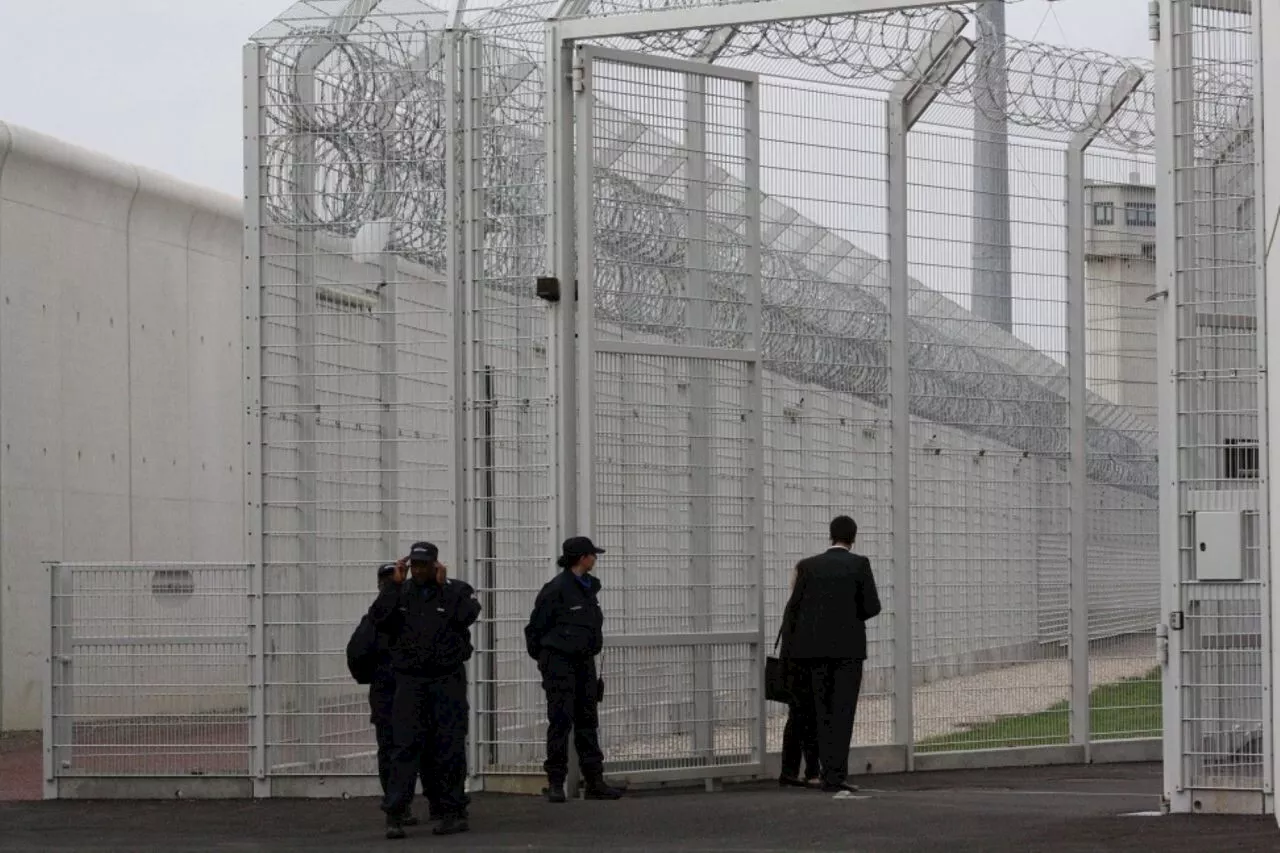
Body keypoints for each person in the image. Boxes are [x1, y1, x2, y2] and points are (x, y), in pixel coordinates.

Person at [368, 542, 480, 839]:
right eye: (414, 565)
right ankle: (395, 812)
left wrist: (445, 588)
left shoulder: (455, 591)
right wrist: (393, 585)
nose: (418, 571)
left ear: (435, 565)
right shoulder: (399, 593)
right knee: (404, 747)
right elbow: (379, 619)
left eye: (423, 565)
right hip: (410, 681)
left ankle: (453, 810)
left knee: (449, 747)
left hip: (447, 679)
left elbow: (468, 615)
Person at [779, 516, 881, 795]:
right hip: (848, 652)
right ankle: (836, 774)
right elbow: (872, 607)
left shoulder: (809, 567)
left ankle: (822, 771)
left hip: (812, 653)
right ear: (853, 537)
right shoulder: (860, 565)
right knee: (842, 712)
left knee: (821, 711)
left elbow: (794, 608)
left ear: (830, 535)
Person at [524, 536, 625, 803]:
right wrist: (547, 660)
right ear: (582, 558)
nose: (595, 558)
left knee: (588, 721)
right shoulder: (556, 590)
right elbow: (535, 630)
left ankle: (594, 780)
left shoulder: (588, 588)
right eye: (593, 554)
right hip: (559, 663)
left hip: (584, 662)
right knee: (560, 721)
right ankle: (556, 782)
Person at [778, 563, 821, 789]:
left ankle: (789, 771)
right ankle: (811, 771)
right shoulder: (808, 607)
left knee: (796, 720)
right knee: (807, 721)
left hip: (792, 671)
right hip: (804, 671)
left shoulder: (793, 604)